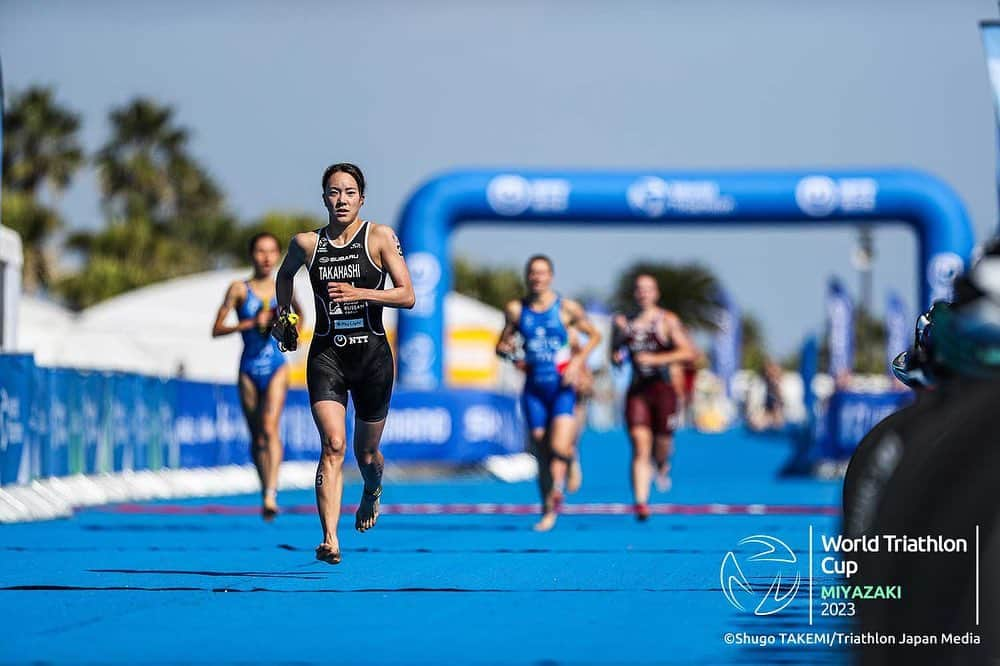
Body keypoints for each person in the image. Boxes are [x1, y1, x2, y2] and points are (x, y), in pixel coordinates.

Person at [271, 162, 414, 565]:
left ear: (362, 198)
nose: (341, 200)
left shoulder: (380, 237)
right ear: (324, 199)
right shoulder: (306, 244)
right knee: (333, 445)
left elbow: (407, 295)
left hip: (372, 359)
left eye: (349, 192)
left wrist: (361, 293)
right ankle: (330, 538)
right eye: (334, 192)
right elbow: (284, 277)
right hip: (327, 356)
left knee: (365, 455)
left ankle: (372, 490)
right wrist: (286, 316)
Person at [496, 255, 601, 532]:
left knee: (557, 447)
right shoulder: (517, 310)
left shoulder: (566, 308)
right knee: (541, 450)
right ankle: (547, 511)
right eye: (532, 273)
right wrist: (508, 353)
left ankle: (570, 458)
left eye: (542, 273)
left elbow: (595, 336)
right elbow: (502, 344)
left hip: (562, 388)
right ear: (527, 276)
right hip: (534, 389)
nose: (537, 278)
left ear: (551, 277)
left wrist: (577, 363)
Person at [212, 232, 299, 520]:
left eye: (272, 252)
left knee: (269, 427)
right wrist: (251, 323)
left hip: (275, 365)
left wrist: (287, 326)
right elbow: (217, 328)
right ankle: (265, 483)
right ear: (252, 255)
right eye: (260, 251)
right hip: (248, 368)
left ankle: (270, 493)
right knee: (256, 436)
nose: (266, 258)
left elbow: (301, 317)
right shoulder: (239, 289)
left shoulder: (284, 286)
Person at [611, 274, 697, 520]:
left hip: (664, 390)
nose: (643, 294)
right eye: (639, 289)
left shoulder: (666, 321)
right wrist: (616, 357)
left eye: (648, 289)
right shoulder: (622, 321)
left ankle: (661, 463)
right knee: (639, 446)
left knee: (661, 447)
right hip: (637, 391)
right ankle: (640, 502)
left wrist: (656, 359)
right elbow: (614, 352)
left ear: (656, 293)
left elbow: (689, 352)